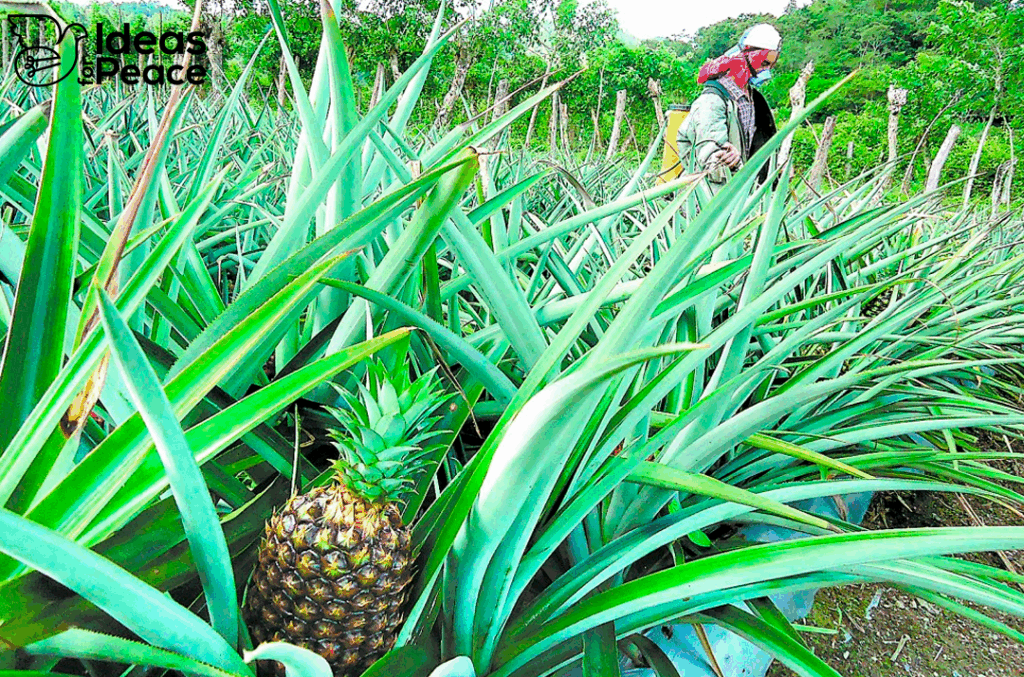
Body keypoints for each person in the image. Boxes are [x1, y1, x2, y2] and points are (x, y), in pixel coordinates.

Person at [676, 23, 781, 192]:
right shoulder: (712, 100)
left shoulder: (753, 99)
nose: (766, 70)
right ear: (747, 55)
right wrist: (726, 157)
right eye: (763, 63)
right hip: (710, 197)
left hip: (739, 193)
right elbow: (713, 160)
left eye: (770, 65)